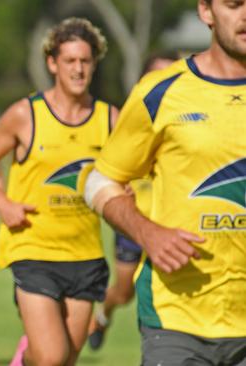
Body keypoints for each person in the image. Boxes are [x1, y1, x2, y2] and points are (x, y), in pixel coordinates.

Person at [83, 0, 246, 364]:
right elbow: (99, 182)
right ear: (206, 12)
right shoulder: (160, 92)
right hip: (177, 319)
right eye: (234, 4)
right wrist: (147, 233)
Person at [0, 18, 117, 366]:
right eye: (70, 61)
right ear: (53, 63)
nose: (78, 69)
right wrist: (2, 203)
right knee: (51, 357)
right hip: (33, 248)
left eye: (85, 61)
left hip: (86, 254)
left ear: (94, 64)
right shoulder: (26, 114)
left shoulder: (109, 119)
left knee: (67, 359)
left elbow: (125, 172)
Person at [87, 50, 179, 351]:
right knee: (125, 291)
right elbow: (106, 168)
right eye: (157, 75)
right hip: (133, 220)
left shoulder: (189, 118)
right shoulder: (130, 118)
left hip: (173, 222)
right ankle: (103, 313)